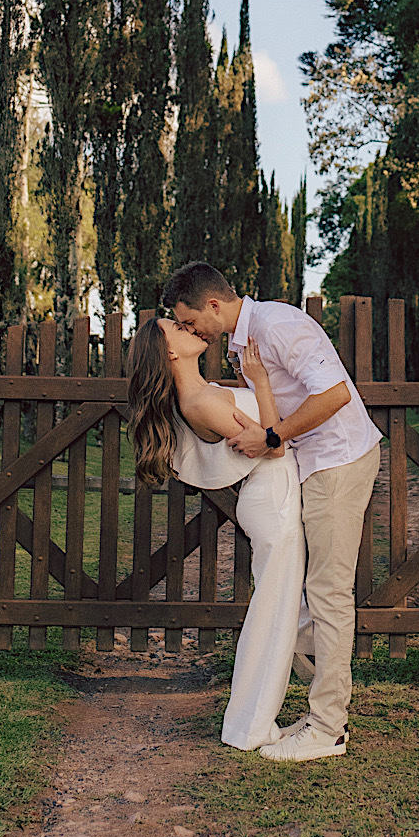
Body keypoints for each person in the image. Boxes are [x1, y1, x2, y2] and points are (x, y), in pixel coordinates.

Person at [162, 261, 381, 764]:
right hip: (315, 466)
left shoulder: (276, 326)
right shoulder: (245, 344)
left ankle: (328, 727)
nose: (190, 329)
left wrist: (275, 435)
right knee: (312, 599)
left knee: (327, 596)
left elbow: (335, 394)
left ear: (213, 305)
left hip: (336, 462)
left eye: (190, 319)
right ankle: (314, 707)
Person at [126, 316, 304, 751]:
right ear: (169, 352)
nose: (189, 328)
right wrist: (259, 380)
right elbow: (274, 442)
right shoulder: (199, 402)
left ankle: (277, 716)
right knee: (274, 614)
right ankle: (251, 727)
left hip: (275, 496)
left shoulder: (203, 392)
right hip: (273, 500)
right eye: (176, 328)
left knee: (286, 610)